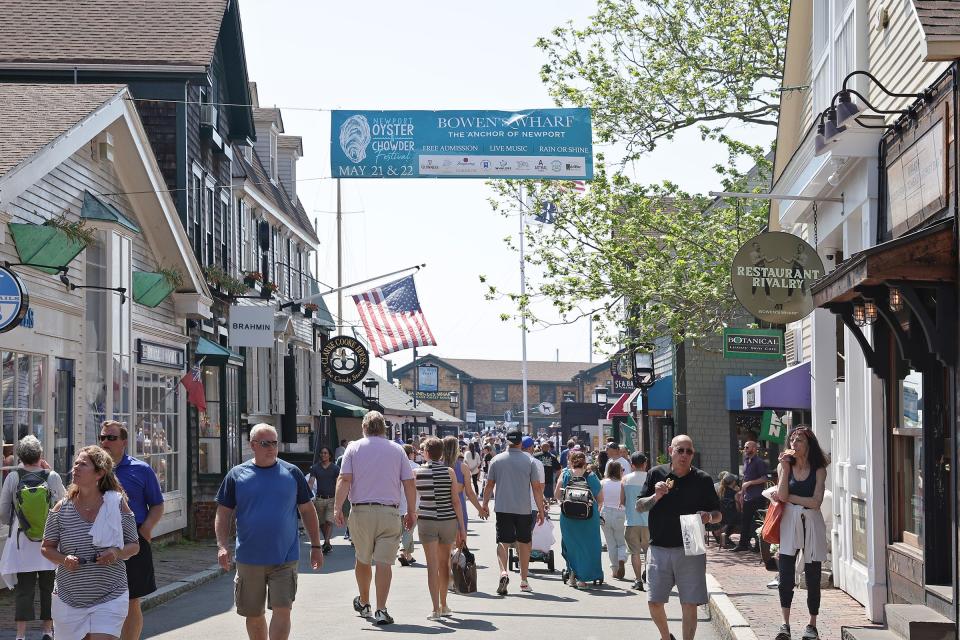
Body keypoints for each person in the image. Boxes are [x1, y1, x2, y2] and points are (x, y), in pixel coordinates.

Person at [215, 424, 323, 640]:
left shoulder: (292, 473)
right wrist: (222, 546)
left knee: (283, 609)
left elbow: (308, 511)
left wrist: (316, 545)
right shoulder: (237, 475)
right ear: (253, 445)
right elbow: (223, 513)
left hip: (285, 557)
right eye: (265, 443)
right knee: (253, 614)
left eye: (274, 443)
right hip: (249, 557)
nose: (271, 448)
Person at [40, 446, 140, 640]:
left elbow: (134, 545)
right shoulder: (62, 507)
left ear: (99, 473)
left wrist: (116, 553)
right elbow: (46, 547)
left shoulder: (117, 504)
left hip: (110, 594)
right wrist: (64, 559)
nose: (76, 467)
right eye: (76, 463)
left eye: (83, 464)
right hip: (68, 597)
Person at [334, 411, 416, 626]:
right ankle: (381, 609)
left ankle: (365, 602)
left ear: (364, 427)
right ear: (384, 429)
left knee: (362, 558)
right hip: (390, 512)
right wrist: (412, 512)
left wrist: (337, 509)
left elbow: (345, 479)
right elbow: (409, 482)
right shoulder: (397, 450)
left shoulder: (353, 448)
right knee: (384, 563)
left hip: (361, 511)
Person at [637, 435, 722, 640]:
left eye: (688, 451)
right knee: (654, 601)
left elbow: (718, 514)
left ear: (693, 454)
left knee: (689, 602)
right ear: (670, 451)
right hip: (659, 546)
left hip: (691, 546)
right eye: (680, 450)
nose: (684, 455)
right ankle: (666, 637)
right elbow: (639, 506)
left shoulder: (702, 479)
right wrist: (655, 496)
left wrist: (709, 516)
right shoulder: (656, 474)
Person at [98, 419, 165, 640]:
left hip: (132, 537)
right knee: (97, 597)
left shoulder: (141, 469)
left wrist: (145, 531)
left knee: (131, 598)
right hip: (97, 538)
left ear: (124, 442)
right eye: (103, 437)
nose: (105, 442)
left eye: (111, 438)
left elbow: (157, 504)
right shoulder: (91, 469)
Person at [0, 435, 66, 640]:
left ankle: (20, 635)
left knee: (24, 588)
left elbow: (3, 513)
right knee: (49, 587)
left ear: (20, 456)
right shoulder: (52, 476)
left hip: (22, 540)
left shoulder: (13, 477)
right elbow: (65, 505)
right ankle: (47, 630)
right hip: (49, 540)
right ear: (40, 454)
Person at [773, 427, 829, 640]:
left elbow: (816, 502)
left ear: (808, 445)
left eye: (799, 441)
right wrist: (785, 470)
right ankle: (785, 623)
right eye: (792, 440)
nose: (794, 444)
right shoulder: (784, 467)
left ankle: (812, 624)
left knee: (813, 575)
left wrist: (790, 498)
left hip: (812, 524)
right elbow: (781, 494)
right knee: (786, 574)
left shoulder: (819, 470)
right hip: (790, 523)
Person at [479, 428, 545, 596]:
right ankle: (524, 580)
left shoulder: (496, 460)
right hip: (523, 508)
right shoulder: (530, 461)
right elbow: (537, 488)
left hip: (503, 507)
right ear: (521, 443)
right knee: (524, 543)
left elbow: (489, 485)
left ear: (507, 442)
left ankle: (503, 572)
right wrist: (541, 510)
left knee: (503, 541)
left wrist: (484, 505)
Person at [415, 438, 465, 620]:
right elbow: (456, 501)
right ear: (442, 453)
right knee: (444, 564)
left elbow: (415, 500)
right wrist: (462, 527)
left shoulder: (417, 473)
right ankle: (444, 604)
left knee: (432, 565)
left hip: (427, 520)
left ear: (426, 453)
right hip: (448, 521)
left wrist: (412, 515)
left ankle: (435, 608)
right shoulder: (449, 472)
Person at [555, 450, 603, 588]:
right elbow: (600, 499)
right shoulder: (591, 476)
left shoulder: (565, 475)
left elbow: (557, 495)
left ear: (570, 461)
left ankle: (572, 574)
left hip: (568, 516)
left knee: (571, 546)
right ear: (585, 462)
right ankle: (584, 577)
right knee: (590, 546)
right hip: (589, 517)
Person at [443, 436, 482, 538]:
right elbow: (469, 492)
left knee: (442, 547)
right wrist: (480, 509)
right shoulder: (463, 467)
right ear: (457, 449)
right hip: (459, 507)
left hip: (441, 507)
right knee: (460, 543)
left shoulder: (437, 466)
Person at [733, 441, 769, 552]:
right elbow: (745, 479)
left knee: (758, 522)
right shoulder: (746, 461)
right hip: (747, 497)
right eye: (744, 447)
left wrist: (750, 483)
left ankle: (759, 547)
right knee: (746, 521)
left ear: (754, 448)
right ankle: (743, 545)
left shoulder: (759, 462)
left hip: (757, 496)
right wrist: (741, 494)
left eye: (747, 447)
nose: (745, 449)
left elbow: (764, 478)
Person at [622, 452, 649, 590]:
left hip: (631, 521)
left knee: (635, 553)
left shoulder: (625, 479)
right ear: (645, 463)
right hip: (649, 522)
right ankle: (650, 578)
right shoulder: (651, 479)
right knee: (649, 553)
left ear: (632, 464)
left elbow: (622, 501)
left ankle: (638, 580)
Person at [308, 446, 339, 554]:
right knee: (321, 523)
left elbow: (338, 484)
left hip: (332, 498)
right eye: (321, 453)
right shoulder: (315, 468)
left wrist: (339, 498)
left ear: (330, 455)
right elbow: (311, 482)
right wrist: (307, 494)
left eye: (325, 453)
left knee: (329, 521)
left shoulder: (335, 468)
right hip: (319, 499)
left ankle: (326, 542)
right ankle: (328, 542)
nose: (323, 455)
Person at [600, 461, 627, 579]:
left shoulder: (603, 483)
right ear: (619, 471)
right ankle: (622, 558)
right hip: (620, 512)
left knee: (610, 543)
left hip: (605, 512)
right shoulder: (623, 483)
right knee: (621, 541)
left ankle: (614, 570)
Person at [397, 444, 419, 566]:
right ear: (410, 454)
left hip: (398, 502)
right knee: (409, 529)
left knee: (406, 529)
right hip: (413, 502)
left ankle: (409, 556)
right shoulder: (416, 467)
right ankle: (402, 550)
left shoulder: (396, 467)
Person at [715, 473, 741, 549]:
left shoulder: (720, 491)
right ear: (733, 482)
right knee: (743, 518)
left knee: (732, 519)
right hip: (731, 518)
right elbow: (738, 508)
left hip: (721, 516)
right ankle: (724, 534)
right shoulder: (735, 493)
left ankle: (723, 535)